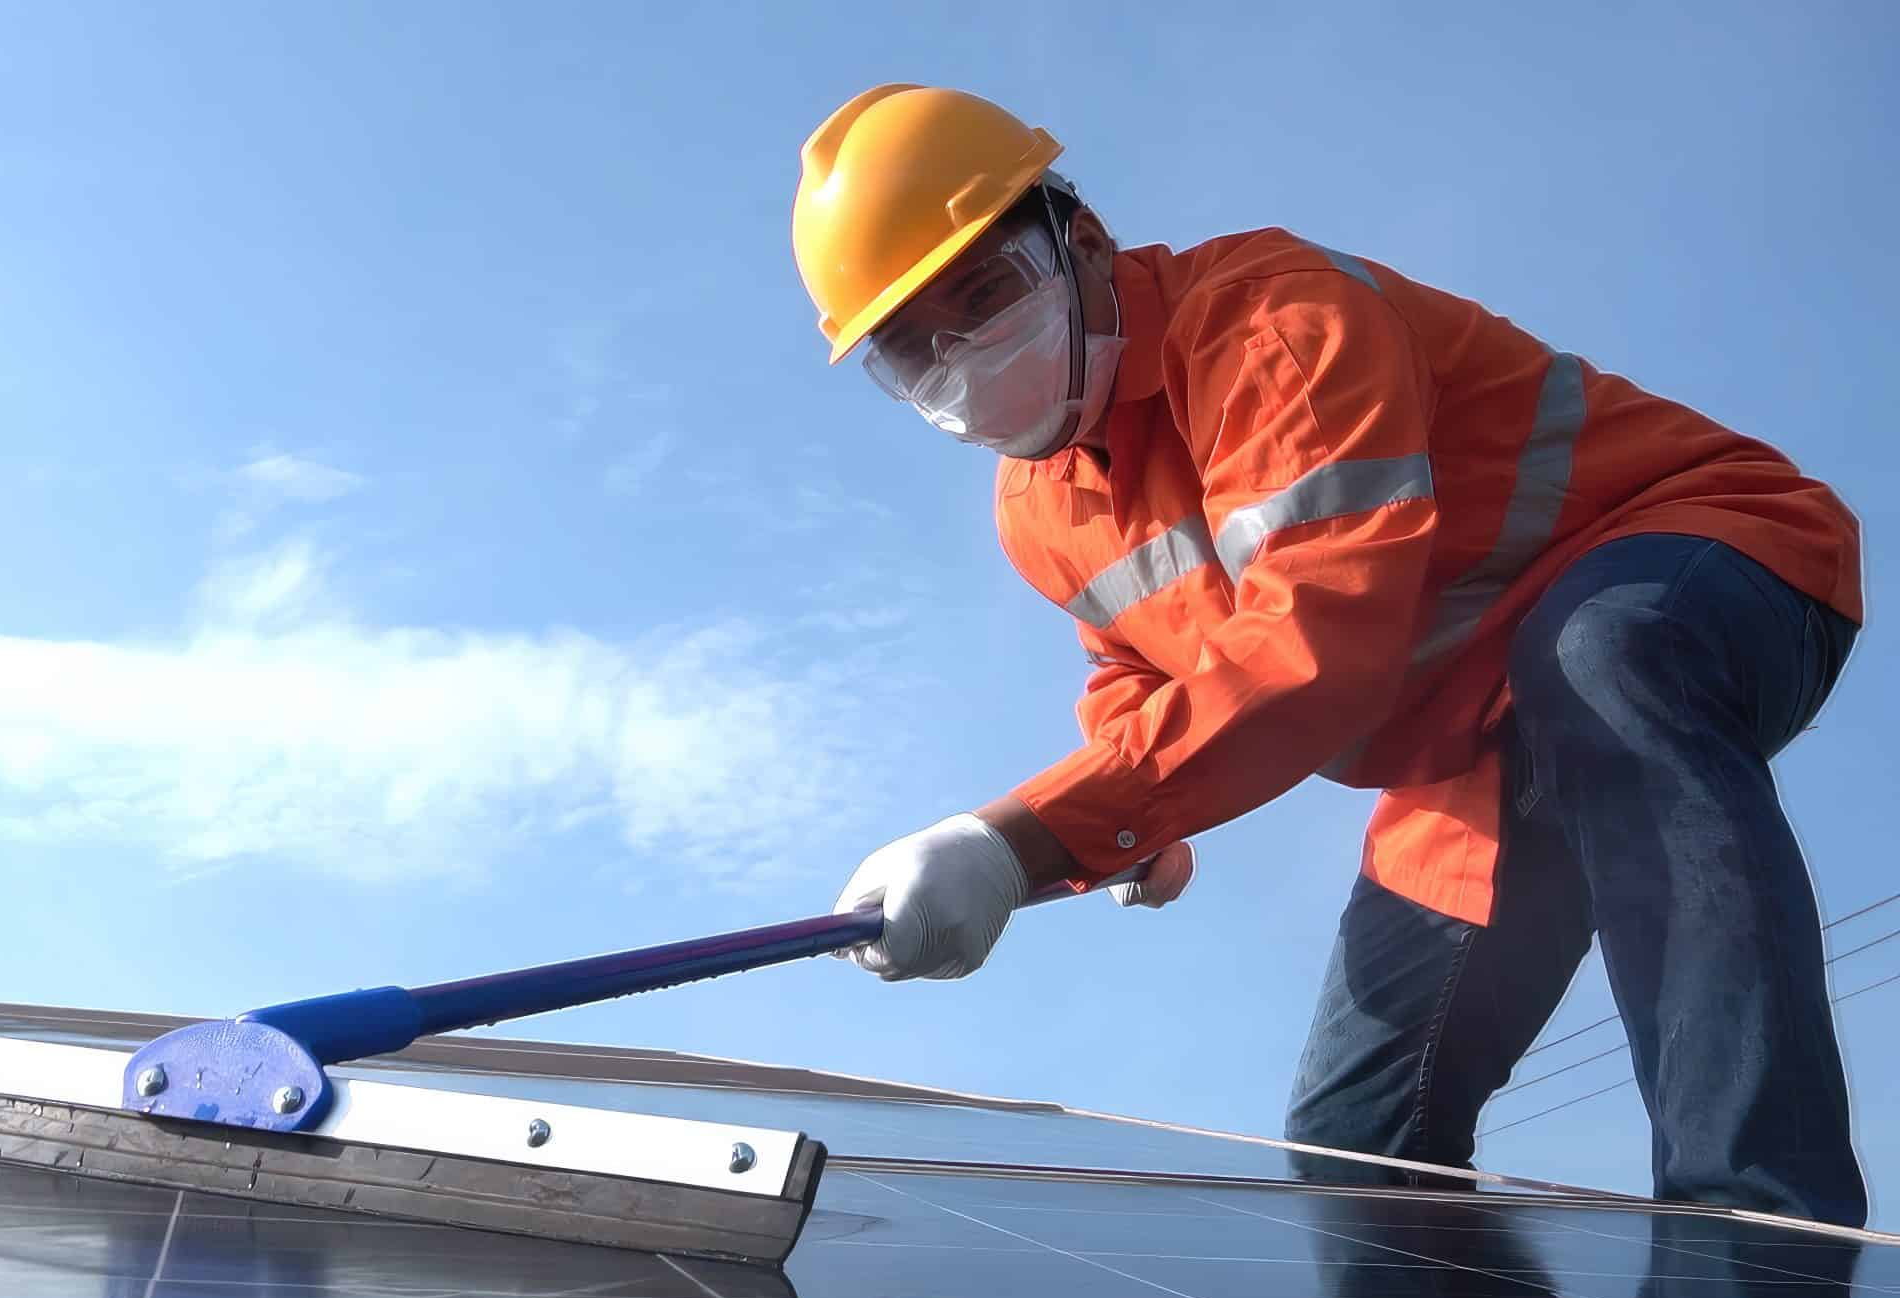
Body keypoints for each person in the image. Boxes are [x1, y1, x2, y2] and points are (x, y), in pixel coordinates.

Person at [793, 84, 1867, 1224]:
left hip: (1705, 560)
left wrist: (1022, 840)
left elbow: (1320, 637)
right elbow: (1138, 669)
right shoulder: (1036, 512)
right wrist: (1133, 820)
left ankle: (1759, 1234)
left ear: (1083, 242)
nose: (963, 361)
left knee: (1603, 656)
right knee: (1359, 1139)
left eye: (985, 297)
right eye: (914, 355)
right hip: (1482, 738)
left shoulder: (1270, 322)